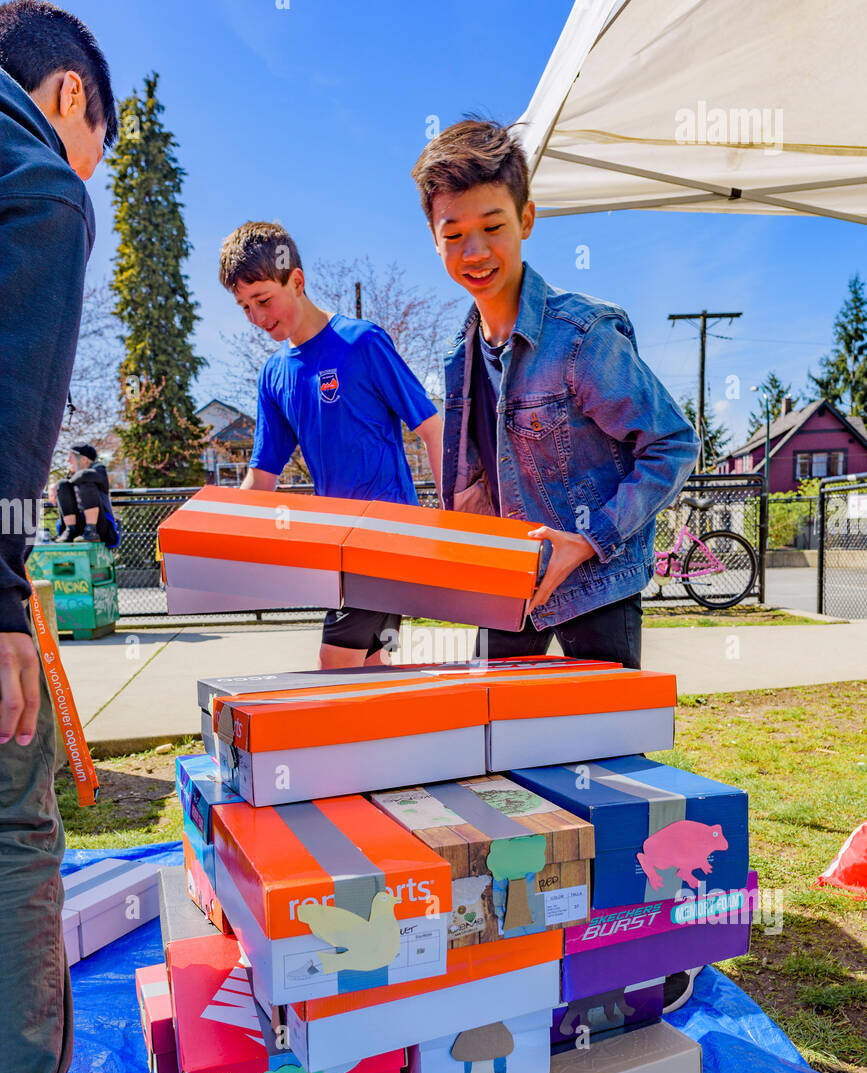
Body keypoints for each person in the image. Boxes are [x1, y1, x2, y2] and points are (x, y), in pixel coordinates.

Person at [410, 118, 701, 1011]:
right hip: (508, 607)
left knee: (609, 793)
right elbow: (469, 487)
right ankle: (540, 958)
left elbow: (671, 442)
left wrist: (590, 535)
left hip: (591, 599)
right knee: (512, 791)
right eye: (453, 233)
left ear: (527, 218)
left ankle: (652, 959)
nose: (474, 250)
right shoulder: (463, 355)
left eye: (491, 225)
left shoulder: (580, 337)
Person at [0, 0, 183, 1073]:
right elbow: (8, 410)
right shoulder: (33, 178)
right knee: (14, 844)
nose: (91, 185)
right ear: (71, 99)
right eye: (98, 151)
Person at [219, 221, 443, 668]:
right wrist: (212, 533)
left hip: (386, 535)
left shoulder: (362, 343)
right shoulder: (274, 375)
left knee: (335, 664)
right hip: (339, 542)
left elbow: (433, 430)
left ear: (296, 280)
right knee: (372, 668)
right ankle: (400, 739)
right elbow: (262, 475)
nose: (257, 318)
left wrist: (446, 520)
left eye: (263, 300)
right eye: (244, 307)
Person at [54, 442, 119, 545]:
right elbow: (64, 484)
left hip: (100, 528)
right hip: (79, 528)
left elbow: (84, 475)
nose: (67, 460)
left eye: (71, 457)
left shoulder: (99, 471)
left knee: (85, 483)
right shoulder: (69, 478)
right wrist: (58, 486)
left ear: (84, 459)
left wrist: (63, 484)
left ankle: (91, 530)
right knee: (62, 484)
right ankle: (70, 529)